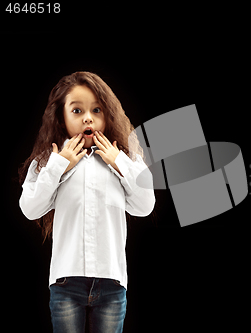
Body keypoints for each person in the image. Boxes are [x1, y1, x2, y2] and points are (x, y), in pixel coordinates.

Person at [19, 71, 155, 333]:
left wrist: (119, 161)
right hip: (65, 283)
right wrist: (59, 165)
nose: (88, 118)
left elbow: (145, 205)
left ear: (107, 114)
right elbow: (30, 208)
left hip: (112, 283)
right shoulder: (48, 162)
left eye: (96, 109)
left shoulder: (126, 159)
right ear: (61, 116)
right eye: (77, 110)